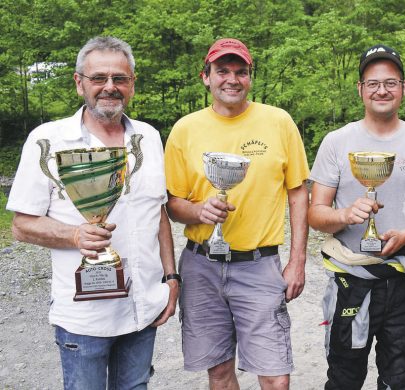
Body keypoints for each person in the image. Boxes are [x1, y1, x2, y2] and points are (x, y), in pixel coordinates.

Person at [6, 36, 178, 389]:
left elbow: (157, 212)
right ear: (79, 82)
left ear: (132, 84)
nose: (110, 87)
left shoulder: (148, 137)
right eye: (99, 78)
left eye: (120, 78)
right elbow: (21, 225)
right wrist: (74, 235)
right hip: (85, 318)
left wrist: (172, 279)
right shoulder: (49, 140)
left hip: (143, 307)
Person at [164, 38, 308, 390]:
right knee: (219, 372)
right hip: (201, 267)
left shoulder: (278, 122)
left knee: (275, 377)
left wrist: (297, 260)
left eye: (241, 72)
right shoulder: (185, 129)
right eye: (222, 71)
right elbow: (172, 203)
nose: (232, 79)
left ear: (250, 77)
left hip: (259, 265)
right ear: (206, 77)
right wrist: (200, 211)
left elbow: (298, 193)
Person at [307, 44, 405, 389]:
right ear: (360, 89)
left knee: (399, 382)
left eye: (391, 82)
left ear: (404, 88)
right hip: (350, 280)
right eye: (372, 83)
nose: (382, 90)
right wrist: (345, 214)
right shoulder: (336, 141)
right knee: (343, 378)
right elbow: (315, 213)